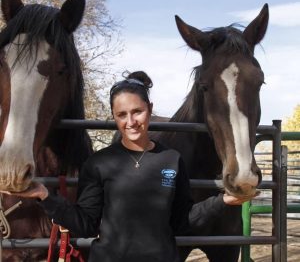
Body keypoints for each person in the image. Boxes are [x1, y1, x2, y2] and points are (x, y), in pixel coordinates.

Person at [4, 71, 255, 262]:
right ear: (114, 117)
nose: (131, 122)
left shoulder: (171, 160)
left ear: (150, 110)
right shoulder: (99, 163)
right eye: (122, 114)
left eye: (137, 111)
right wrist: (46, 196)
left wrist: (222, 202)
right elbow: (86, 224)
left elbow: (181, 222)